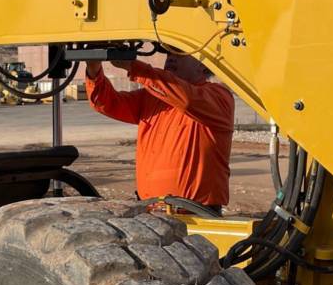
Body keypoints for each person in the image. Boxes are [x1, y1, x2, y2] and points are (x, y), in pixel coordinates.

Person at [85, 50, 235, 211]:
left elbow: (187, 100)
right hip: (151, 210)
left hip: (196, 214)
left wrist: (134, 67)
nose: (171, 57)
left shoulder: (219, 96)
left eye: (179, 52)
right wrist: (94, 71)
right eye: (169, 53)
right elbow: (106, 103)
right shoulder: (152, 97)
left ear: (202, 64)